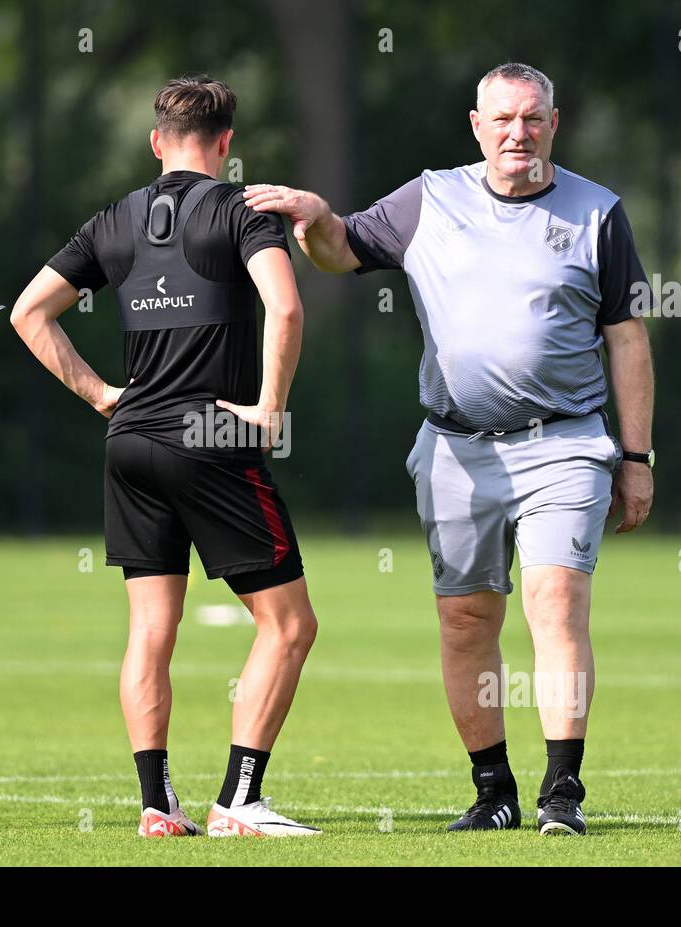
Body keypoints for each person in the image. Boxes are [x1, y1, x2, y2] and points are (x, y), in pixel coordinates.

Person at [244, 62, 655, 836]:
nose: (517, 134)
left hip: (564, 443)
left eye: (533, 119)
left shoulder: (598, 211)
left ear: (554, 124)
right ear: (477, 126)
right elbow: (341, 252)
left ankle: (562, 792)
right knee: (467, 620)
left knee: (556, 603)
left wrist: (636, 458)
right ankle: (493, 791)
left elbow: (627, 338)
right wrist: (316, 217)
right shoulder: (429, 197)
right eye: (502, 120)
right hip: (455, 449)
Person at [11, 74, 321, 838]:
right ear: (226, 144)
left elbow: (27, 312)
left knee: (152, 629)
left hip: (130, 439)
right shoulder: (241, 210)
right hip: (211, 435)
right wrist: (269, 408)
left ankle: (157, 803)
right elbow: (284, 305)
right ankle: (240, 801)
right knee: (288, 626)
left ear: (156, 142)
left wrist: (98, 395)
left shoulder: (113, 219)